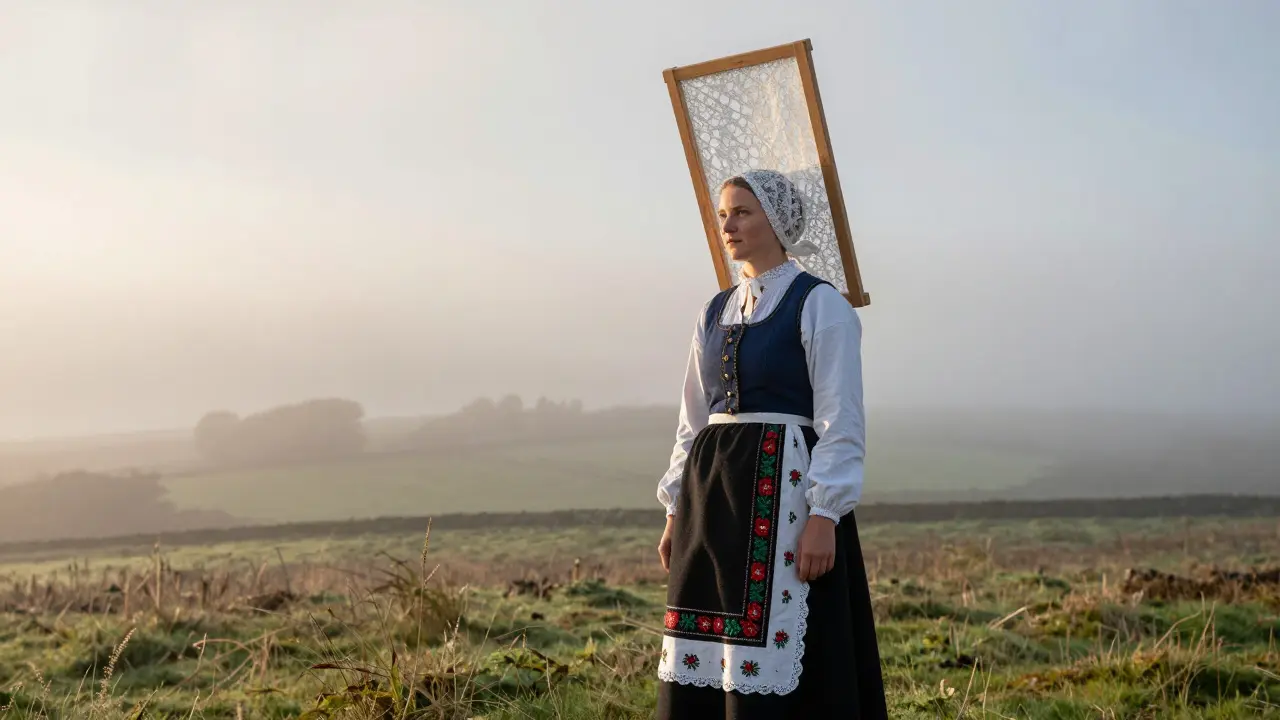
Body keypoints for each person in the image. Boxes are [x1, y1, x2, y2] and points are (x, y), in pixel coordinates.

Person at [654, 169, 887, 718]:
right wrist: (674, 510)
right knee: (705, 654)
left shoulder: (820, 304)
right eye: (723, 215)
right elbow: (693, 420)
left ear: (776, 221)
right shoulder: (713, 311)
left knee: (793, 656)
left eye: (742, 212)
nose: (728, 225)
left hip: (785, 501)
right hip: (712, 505)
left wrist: (824, 515)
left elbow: (840, 419)